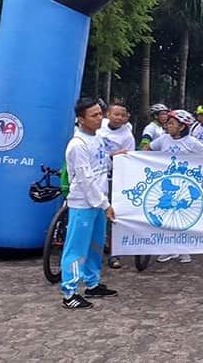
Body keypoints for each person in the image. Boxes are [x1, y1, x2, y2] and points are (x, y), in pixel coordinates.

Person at [60, 97, 117, 309]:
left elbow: (104, 165)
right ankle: (70, 293)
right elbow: (85, 180)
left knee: (95, 245)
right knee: (76, 249)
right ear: (81, 119)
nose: (99, 118)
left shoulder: (98, 138)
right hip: (83, 203)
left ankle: (92, 284)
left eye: (100, 113)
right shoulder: (77, 145)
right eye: (94, 115)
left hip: (99, 202)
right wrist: (105, 204)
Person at [151, 110, 203, 264]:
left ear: (182, 127)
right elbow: (148, 149)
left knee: (182, 215)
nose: (167, 126)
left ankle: (184, 250)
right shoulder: (163, 139)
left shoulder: (192, 142)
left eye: (171, 123)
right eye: (167, 123)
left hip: (185, 185)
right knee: (166, 215)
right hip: (166, 184)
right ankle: (169, 249)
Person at [98, 102, 135, 270]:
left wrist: (117, 157)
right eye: (116, 114)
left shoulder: (127, 136)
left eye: (123, 115)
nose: (119, 118)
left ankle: (115, 254)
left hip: (114, 177)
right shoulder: (99, 127)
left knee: (113, 214)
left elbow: (129, 157)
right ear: (108, 115)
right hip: (96, 174)